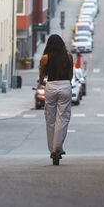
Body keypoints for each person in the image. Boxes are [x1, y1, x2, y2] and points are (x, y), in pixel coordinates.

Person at [38, 34, 73, 164]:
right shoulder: (68, 56)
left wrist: (42, 83)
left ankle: (52, 149)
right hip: (65, 86)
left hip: (51, 87)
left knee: (50, 119)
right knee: (63, 118)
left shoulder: (45, 58)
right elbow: (70, 75)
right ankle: (58, 147)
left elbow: (41, 75)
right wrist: (66, 84)